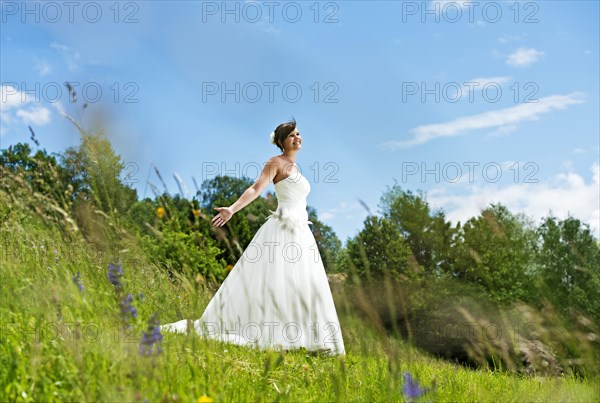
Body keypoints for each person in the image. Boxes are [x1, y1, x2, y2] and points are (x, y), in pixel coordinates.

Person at [160, 119, 346, 355]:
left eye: (298, 134)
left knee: (302, 285)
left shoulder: (297, 169)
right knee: (276, 282)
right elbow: (256, 188)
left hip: (301, 231)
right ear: (281, 142)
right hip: (282, 228)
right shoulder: (275, 162)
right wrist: (232, 208)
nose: (296, 138)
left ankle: (308, 340)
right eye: (291, 136)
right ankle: (273, 335)